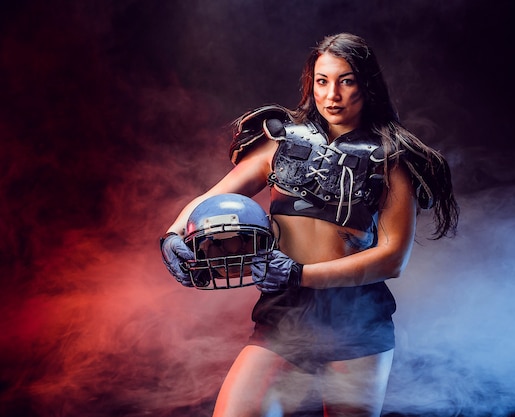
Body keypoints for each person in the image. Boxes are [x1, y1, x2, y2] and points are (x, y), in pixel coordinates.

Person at [160, 33, 458, 417]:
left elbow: (392, 260)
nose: (332, 94)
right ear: (311, 84)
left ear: (366, 84)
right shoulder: (280, 144)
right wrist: (172, 234)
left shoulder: (392, 159)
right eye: (322, 80)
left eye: (346, 80)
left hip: (359, 318)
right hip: (286, 312)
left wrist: (300, 274)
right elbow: (211, 198)